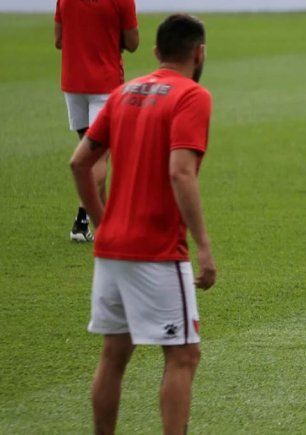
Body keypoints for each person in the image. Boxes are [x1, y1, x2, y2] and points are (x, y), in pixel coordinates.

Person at [69, 14, 216, 434]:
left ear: (156, 53)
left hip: (111, 248)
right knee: (183, 355)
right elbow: (180, 172)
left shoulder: (123, 92)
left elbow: (80, 162)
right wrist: (203, 245)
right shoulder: (192, 96)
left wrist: (103, 221)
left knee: (114, 354)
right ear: (199, 52)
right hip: (157, 250)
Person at [55, 0, 139, 242]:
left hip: (72, 83)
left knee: (89, 152)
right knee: (99, 156)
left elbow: (59, 40)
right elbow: (133, 43)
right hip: (105, 84)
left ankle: (105, 225)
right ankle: (82, 217)